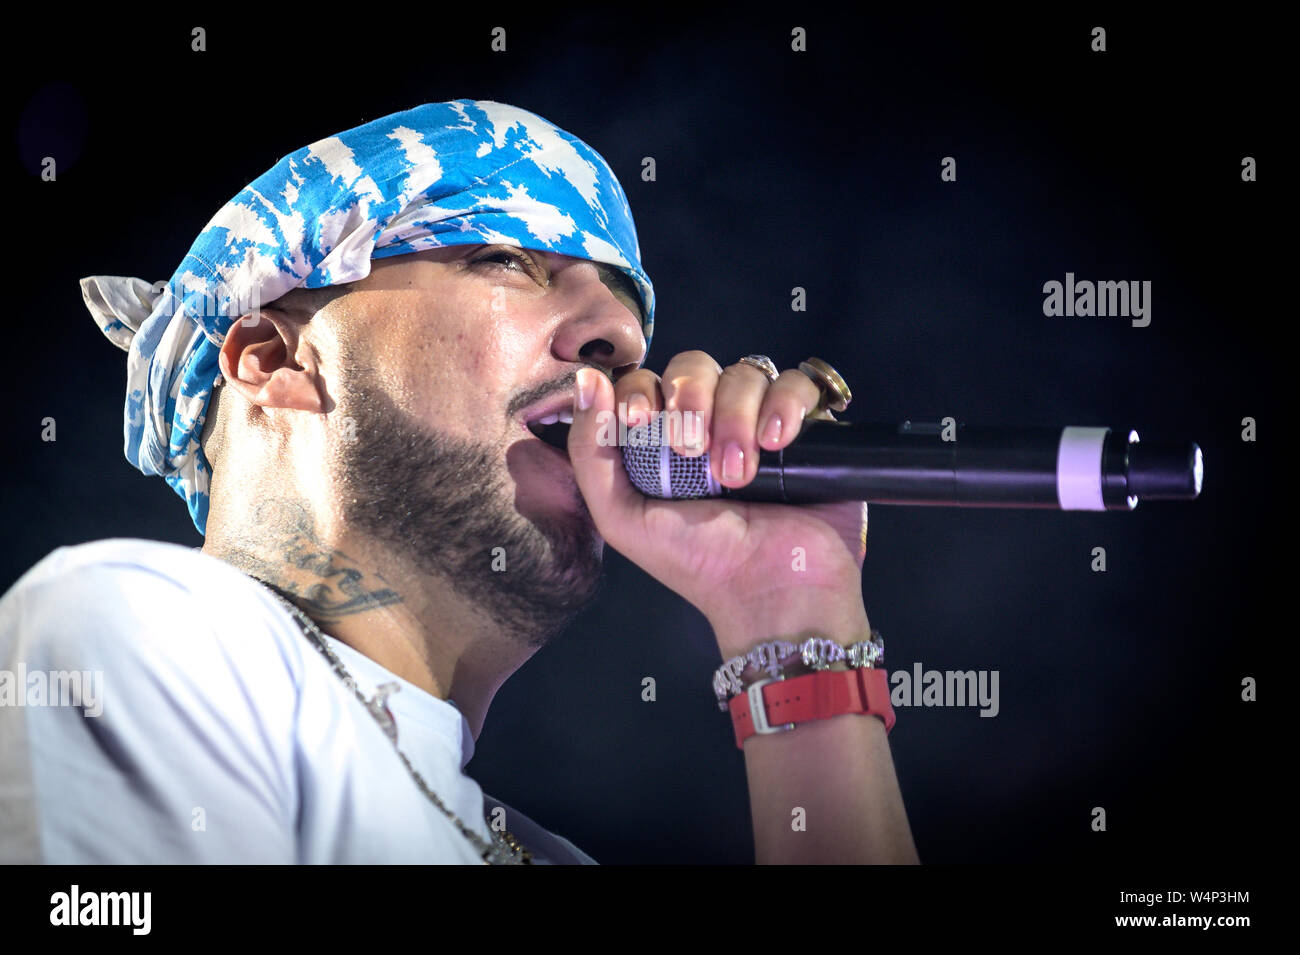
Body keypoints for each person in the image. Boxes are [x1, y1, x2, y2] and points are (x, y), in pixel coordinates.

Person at [0, 99, 917, 864]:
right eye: (509, 257)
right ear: (272, 357)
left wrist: (793, 619)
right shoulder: (138, 636)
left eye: (624, 299)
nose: (623, 337)